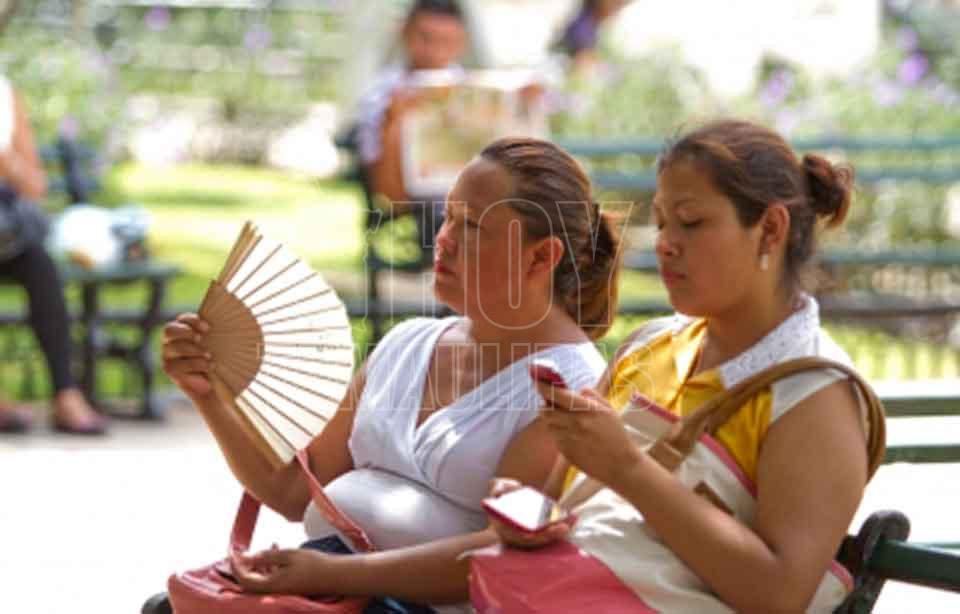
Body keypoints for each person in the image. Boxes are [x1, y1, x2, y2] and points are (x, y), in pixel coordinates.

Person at [156, 137, 623, 613]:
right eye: (447, 216)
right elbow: (294, 492)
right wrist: (208, 396)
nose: (443, 239)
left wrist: (331, 573)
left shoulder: (572, 389)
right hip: (328, 586)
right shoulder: (407, 344)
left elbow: (500, 555)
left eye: (470, 225)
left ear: (541, 257)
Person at [482, 119, 885, 612]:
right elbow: (567, 513)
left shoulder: (814, 394)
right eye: (661, 222)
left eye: (690, 222)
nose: (665, 243)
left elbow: (779, 594)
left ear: (770, 230)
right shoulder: (648, 348)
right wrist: (529, 519)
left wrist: (627, 468)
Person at [0, 74, 108, 435]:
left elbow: (35, 186)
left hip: (6, 236)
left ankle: (66, 395)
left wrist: (7, 161)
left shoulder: (4, 93)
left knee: (41, 266)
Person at [356, 0, 468, 253]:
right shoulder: (381, 97)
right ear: (404, 34)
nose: (434, 52)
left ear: (461, 42)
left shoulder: (477, 91)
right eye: (425, 38)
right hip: (420, 214)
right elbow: (388, 196)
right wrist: (394, 123)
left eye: (446, 42)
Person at [558, 0, 628, 75]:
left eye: (620, 6)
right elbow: (582, 58)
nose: (616, 11)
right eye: (617, 3)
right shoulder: (579, 16)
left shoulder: (593, 28)